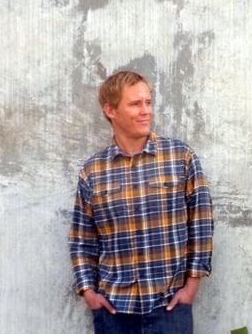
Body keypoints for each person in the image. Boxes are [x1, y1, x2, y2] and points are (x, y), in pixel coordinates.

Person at [69, 71, 213, 334]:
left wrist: (191, 286)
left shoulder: (181, 157)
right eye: (135, 104)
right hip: (114, 312)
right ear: (110, 110)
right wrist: (89, 291)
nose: (146, 111)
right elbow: (82, 239)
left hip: (170, 308)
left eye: (148, 102)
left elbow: (201, 224)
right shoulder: (93, 171)